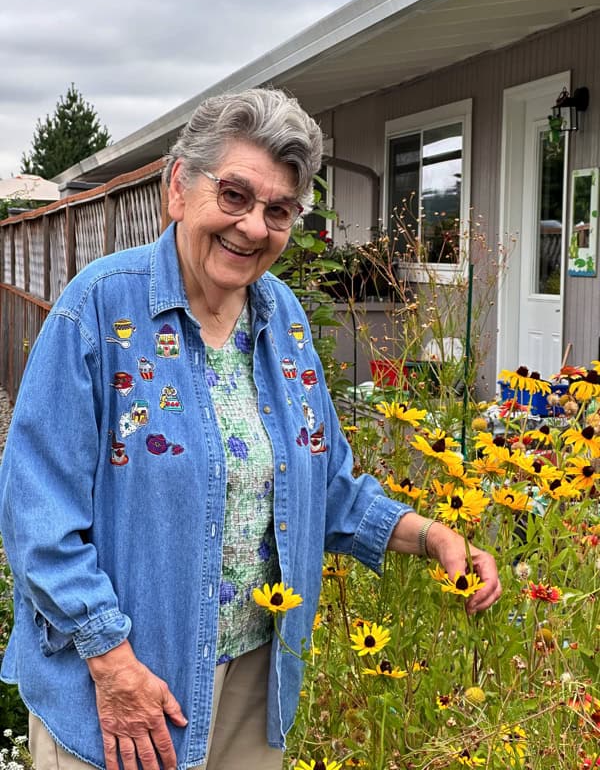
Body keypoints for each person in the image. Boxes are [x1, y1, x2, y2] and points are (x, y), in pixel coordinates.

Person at [0, 88, 501, 770]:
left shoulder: (283, 320)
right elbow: (38, 514)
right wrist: (110, 661)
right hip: (120, 693)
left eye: (278, 211)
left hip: (253, 686)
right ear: (179, 187)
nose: (253, 227)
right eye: (233, 195)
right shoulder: (97, 309)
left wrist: (433, 535)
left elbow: (325, 486)